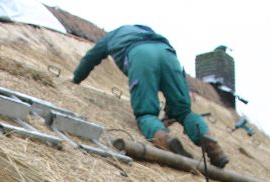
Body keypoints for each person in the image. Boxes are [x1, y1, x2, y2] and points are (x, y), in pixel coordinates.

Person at [71, 25, 229, 168]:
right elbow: (173, 93)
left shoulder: (112, 36)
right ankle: (214, 149)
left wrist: (76, 79)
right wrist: (171, 112)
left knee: (146, 113)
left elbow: (91, 57)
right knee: (183, 111)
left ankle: (165, 141)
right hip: (168, 54)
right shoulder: (149, 32)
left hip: (141, 55)